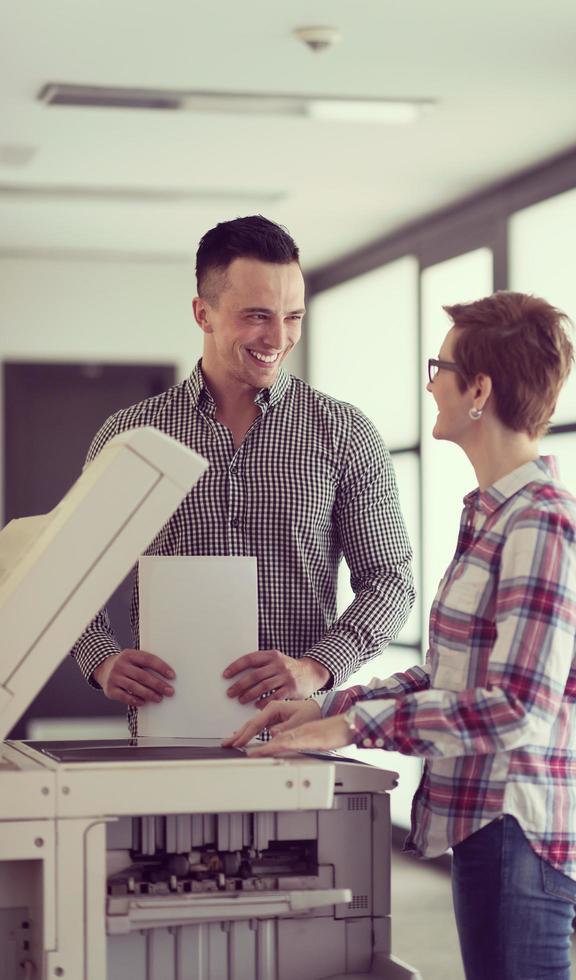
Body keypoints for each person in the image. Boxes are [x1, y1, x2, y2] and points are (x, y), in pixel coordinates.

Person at [225, 291, 576, 980]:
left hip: (518, 828)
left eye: (441, 367)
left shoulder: (542, 525)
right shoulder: (494, 517)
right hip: (486, 824)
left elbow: (516, 709)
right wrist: (327, 707)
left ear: (479, 390)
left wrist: (356, 729)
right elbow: (448, 677)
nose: (430, 383)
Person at [71, 215, 414, 736]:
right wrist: (101, 659)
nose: (278, 337)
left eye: (293, 316)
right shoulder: (131, 437)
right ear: (202, 313)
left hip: (301, 742)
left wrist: (316, 667)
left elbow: (389, 580)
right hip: (167, 741)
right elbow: (72, 574)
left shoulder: (344, 433)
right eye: (257, 315)